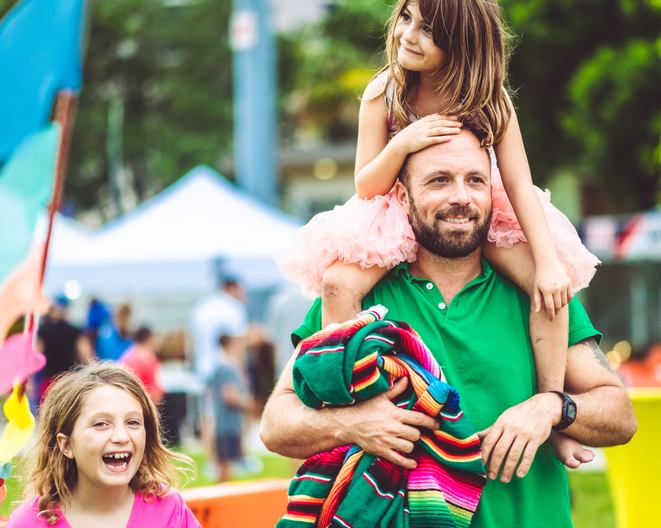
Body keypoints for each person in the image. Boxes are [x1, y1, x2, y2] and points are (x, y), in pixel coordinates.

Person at [262, 131, 637, 527]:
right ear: (403, 197)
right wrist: (351, 424)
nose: (461, 196)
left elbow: (620, 413)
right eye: (439, 180)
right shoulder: (358, 295)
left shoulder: (539, 292)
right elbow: (276, 423)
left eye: (475, 180)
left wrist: (550, 407)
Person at [277, 0, 600, 453]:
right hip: (399, 210)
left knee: (548, 287)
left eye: (428, 31)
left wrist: (547, 262)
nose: (409, 35)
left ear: (460, 46)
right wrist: (403, 143)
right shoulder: (385, 92)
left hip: (477, 212)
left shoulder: (490, 99)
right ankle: (351, 403)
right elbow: (367, 185)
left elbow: (519, 183)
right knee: (337, 283)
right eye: (406, 19)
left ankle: (550, 407)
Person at [7, 362, 201, 528]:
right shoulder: (28, 522)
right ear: (66, 445)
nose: (121, 436)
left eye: (133, 422)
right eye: (101, 424)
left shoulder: (169, 508)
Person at [207, 334, 253, 482]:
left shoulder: (218, 367)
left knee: (223, 467)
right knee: (227, 468)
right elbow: (230, 395)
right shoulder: (229, 368)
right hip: (229, 424)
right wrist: (247, 403)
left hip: (221, 422)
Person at [190, 279, 249, 383]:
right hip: (226, 372)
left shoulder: (201, 307)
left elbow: (192, 343)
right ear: (232, 288)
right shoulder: (234, 308)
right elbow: (239, 343)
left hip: (203, 369)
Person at [36, 297, 94, 400]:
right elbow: (86, 356)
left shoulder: (45, 329)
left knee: (47, 412)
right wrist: (94, 373)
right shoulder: (74, 330)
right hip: (68, 380)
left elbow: (36, 355)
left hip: (49, 380)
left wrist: (30, 380)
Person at [119, 326, 165, 403]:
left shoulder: (125, 356)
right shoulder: (149, 359)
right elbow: (156, 392)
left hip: (126, 401)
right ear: (148, 339)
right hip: (144, 403)